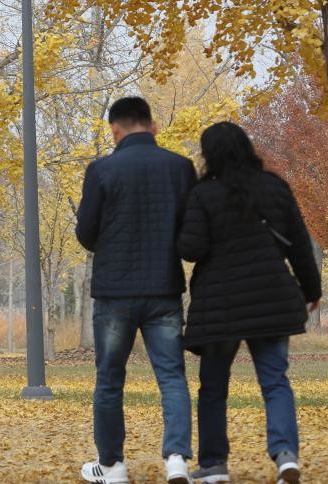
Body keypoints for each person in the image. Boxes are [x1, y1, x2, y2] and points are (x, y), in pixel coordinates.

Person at [177, 122, 322, 484]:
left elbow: (191, 249)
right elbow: (299, 245)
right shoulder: (275, 187)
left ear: (209, 154)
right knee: (275, 381)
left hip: (219, 305)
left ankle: (214, 464)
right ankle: (286, 455)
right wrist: (311, 289)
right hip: (271, 298)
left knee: (213, 387)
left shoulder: (203, 194)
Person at [75, 97, 197, 484]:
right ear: (152, 125)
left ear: (115, 130)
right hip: (163, 288)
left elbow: (86, 233)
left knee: (110, 379)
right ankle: (176, 459)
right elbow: (190, 231)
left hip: (115, 291)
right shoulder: (180, 167)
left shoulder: (101, 170)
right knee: (172, 377)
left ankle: (112, 466)